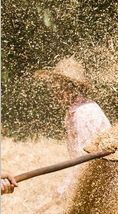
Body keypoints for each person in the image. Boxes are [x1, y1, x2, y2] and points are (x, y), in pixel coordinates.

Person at [35, 57, 111, 196]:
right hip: (94, 182)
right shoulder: (74, 111)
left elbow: (84, 160)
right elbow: (76, 159)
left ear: (73, 87)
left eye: (60, 86)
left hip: (103, 185)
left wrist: (66, 190)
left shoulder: (84, 113)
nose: (55, 90)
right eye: (55, 85)